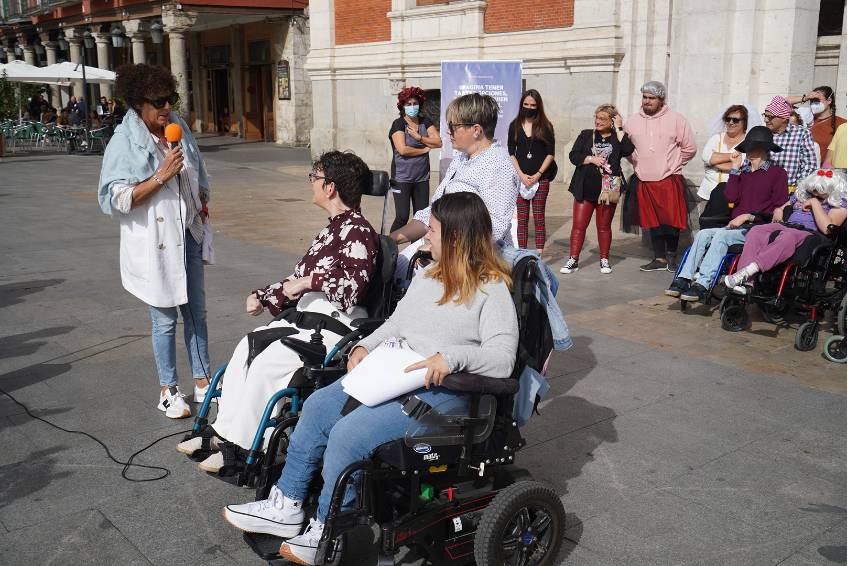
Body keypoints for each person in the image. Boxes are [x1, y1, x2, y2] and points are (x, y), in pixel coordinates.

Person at [222, 191, 519, 565]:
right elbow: (396, 324)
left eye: (433, 231)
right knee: (318, 405)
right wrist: (365, 346)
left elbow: (503, 360)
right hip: (397, 372)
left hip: (447, 391)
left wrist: (451, 358)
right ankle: (287, 503)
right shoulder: (429, 276)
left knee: (349, 434)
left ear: (457, 238)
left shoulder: (491, 289)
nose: (425, 237)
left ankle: (331, 529)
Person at [176, 151, 380, 473]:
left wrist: (309, 281)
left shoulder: (359, 231)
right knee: (245, 349)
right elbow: (295, 281)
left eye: (314, 177)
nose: (311, 182)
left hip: (333, 327)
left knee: (268, 363)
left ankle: (244, 450)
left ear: (330, 187)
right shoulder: (331, 231)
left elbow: (352, 286)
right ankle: (220, 433)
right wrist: (263, 295)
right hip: (305, 320)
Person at [97, 63, 212, 420]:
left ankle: (203, 381)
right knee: (164, 318)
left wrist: (202, 201)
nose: (167, 107)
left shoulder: (179, 128)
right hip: (156, 244)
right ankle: (168, 389)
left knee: (196, 312)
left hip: (188, 232)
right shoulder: (124, 142)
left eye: (170, 98)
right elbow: (115, 198)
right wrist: (160, 176)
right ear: (137, 104)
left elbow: (197, 170)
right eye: (158, 101)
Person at [390, 93, 520, 275]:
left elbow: (493, 230)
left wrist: (439, 248)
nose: (448, 132)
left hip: (472, 264)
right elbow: (432, 212)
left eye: (453, 126)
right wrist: (392, 239)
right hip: (438, 248)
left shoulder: (499, 166)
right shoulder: (461, 158)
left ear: (476, 130)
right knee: (390, 271)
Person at [666, 126, 789, 302]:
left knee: (722, 236)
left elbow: (778, 209)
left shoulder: (777, 173)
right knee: (703, 234)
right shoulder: (743, 173)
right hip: (736, 227)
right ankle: (683, 278)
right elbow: (731, 197)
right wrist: (735, 169)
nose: (749, 151)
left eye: (753, 147)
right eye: (748, 147)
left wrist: (749, 216)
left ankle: (703, 284)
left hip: (758, 229)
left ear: (764, 149)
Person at [724, 169, 846, 294]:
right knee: (756, 231)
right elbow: (782, 208)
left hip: (809, 232)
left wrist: (815, 203)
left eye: (819, 192)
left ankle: (749, 270)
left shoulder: (840, 203)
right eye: (812, 190)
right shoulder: (802, 196)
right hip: (786, 225)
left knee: (788, 236)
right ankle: (747, 283)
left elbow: (827, 228)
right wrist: (779, 210)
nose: (814, 194)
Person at [624, 80, 697, 271]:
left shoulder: (677, 119)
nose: (647, 101)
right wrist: (638, 162)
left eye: (652, 98)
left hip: (669, 179)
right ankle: (659, 259)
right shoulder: (632, 121)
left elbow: (690, 148)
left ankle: (672, 258)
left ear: (661, 99)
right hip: (644, 180)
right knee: (652, 221)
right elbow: (627, 149)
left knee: (671, 220)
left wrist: (673, 164)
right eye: (644, 97)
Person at [561, 104, 633, 274]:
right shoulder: (586, 135)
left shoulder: (617, 137)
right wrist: (590, 159)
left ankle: (604, 259)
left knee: (604, 226)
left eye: (603, 119)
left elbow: (628, 150)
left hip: (608, 189)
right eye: (597, 117)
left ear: (612, 121)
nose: (598, 121)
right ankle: (573, 259)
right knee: (579, 226)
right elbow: (573, 156)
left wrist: (620, 128)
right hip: (585, 188)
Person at [508, 89, 556, 254]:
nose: (529, 107)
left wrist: (538, 174)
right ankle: (522, 255)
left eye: (533, 105)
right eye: (526, 104)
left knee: (539, 218)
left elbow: (550, 153)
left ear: (538, 106)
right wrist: (521, 175)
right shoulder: (514, 126)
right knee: (521, 220)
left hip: (541, 179)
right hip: (520, 179)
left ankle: (538, 256)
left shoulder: (546, 126)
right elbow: (511, 153)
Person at [388, 86, 441, 232]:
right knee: (402, 217)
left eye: (415, 103)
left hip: (422, 178)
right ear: (402, 106)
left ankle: (416, 246)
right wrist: (424, 149)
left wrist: (419, 138)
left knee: (421, 217)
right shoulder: (398, 124)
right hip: (401, 178)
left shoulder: (425, 121)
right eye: (408, 104)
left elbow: (438, 142)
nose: (412, 107)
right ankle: (389, 244)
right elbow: (403, 150)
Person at [696, 104, 762, 212]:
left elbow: (742, 165)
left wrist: (714, 162)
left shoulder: (748, 142)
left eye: (735, 120)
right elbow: (706, 157)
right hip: (707, 194)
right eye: (728, 119)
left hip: (734, 197)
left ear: (744, 122)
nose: (730, 122)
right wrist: (733, 156)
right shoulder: (716, 138)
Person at [761, 96, 817, 188]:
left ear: (783, 118)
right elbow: (749, 162)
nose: (765, 120)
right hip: (763, 189)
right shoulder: (761, 133)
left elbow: (809, 165)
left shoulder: (801, 133)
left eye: (770, 117)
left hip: (790, 191)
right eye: (765, 115)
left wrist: (798, 190)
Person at [785, 86, 846, 158]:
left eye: (817, 100)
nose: (813, 103)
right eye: (811, 100)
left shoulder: (841, 123)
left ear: (829, 100)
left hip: (824, 164)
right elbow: (783, 103)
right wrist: (805, 98)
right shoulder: (804, 116)